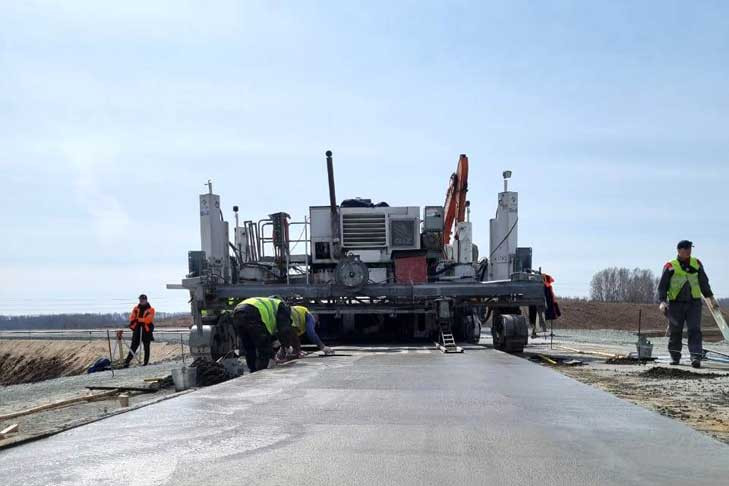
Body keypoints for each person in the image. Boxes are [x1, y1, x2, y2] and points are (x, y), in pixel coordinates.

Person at [657, 240, 718, 368]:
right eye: (687, 249)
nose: (689, 251)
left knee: (694, 330)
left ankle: (695, 357)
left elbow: (703, 282)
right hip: (675, 304)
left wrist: (711, 298)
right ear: (679, 250)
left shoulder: (697, 263)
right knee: (675, 331)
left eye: (690, 248)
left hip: (694, 304)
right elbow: (662, 286)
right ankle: (675, 356)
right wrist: (662, 301)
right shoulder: (670, 266)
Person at [232, 296, 300, 372]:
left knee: (249, 346)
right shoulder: (282, 306)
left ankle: (253, 370)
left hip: (237, 312)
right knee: (263, 349)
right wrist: (287, 347)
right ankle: (261, 372)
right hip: (253, 313)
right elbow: (284, 329)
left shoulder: (268, 303)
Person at [124, 294, 155, 367]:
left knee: (146, 347)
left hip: (146, 330)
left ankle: (145, 362)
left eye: (142, 300)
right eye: (140, 300)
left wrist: (139, 319)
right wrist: (139, 320)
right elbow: (132, 318)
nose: (141, 301)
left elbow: (148, 320)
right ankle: (127, 362)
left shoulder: (151, 309)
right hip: (137, 329)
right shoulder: (136, 308)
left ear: (146, 300)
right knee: (133, 346)